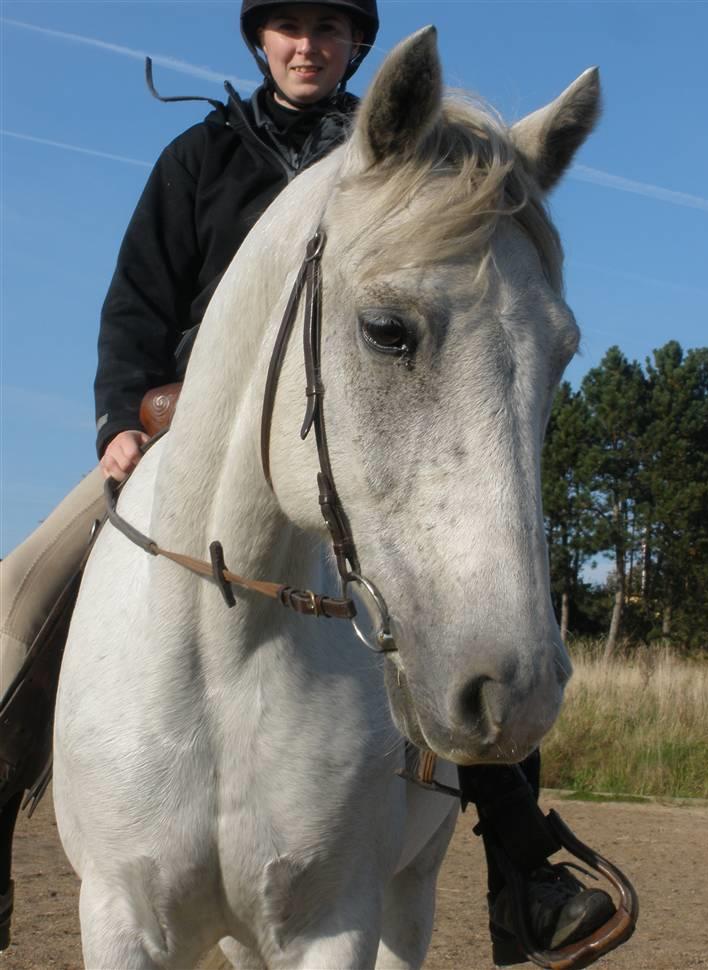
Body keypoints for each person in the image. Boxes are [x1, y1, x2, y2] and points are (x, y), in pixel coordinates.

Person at [0, 3, 615, 964]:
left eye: (329, 28)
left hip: (343, 450)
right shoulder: (199, 160)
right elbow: (135, 305)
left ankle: (522, 863)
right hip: (180, 439)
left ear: (356, 48)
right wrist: (120, 420)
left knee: (464, 600)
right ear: (260, 39)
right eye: (288, 25)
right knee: (19, 592)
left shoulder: (413, 159)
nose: (307, 44)